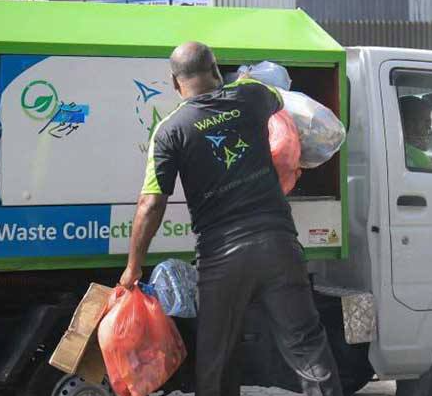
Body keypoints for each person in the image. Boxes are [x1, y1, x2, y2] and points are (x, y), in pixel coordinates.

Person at [118, 42, 343, 396]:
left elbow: (151, 204)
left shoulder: (170, 130)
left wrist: (133, 268)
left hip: (221, 258)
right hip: (278, 245)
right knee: (306, 346)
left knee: (217, 361)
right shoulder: (252, 96)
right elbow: (283, 102)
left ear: (175, 83)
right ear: (216, 70)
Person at [399, 95, 432, 169]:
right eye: (426, 122)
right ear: (409, 124)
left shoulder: (396, 150)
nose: (429, 131)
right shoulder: (418, 158)